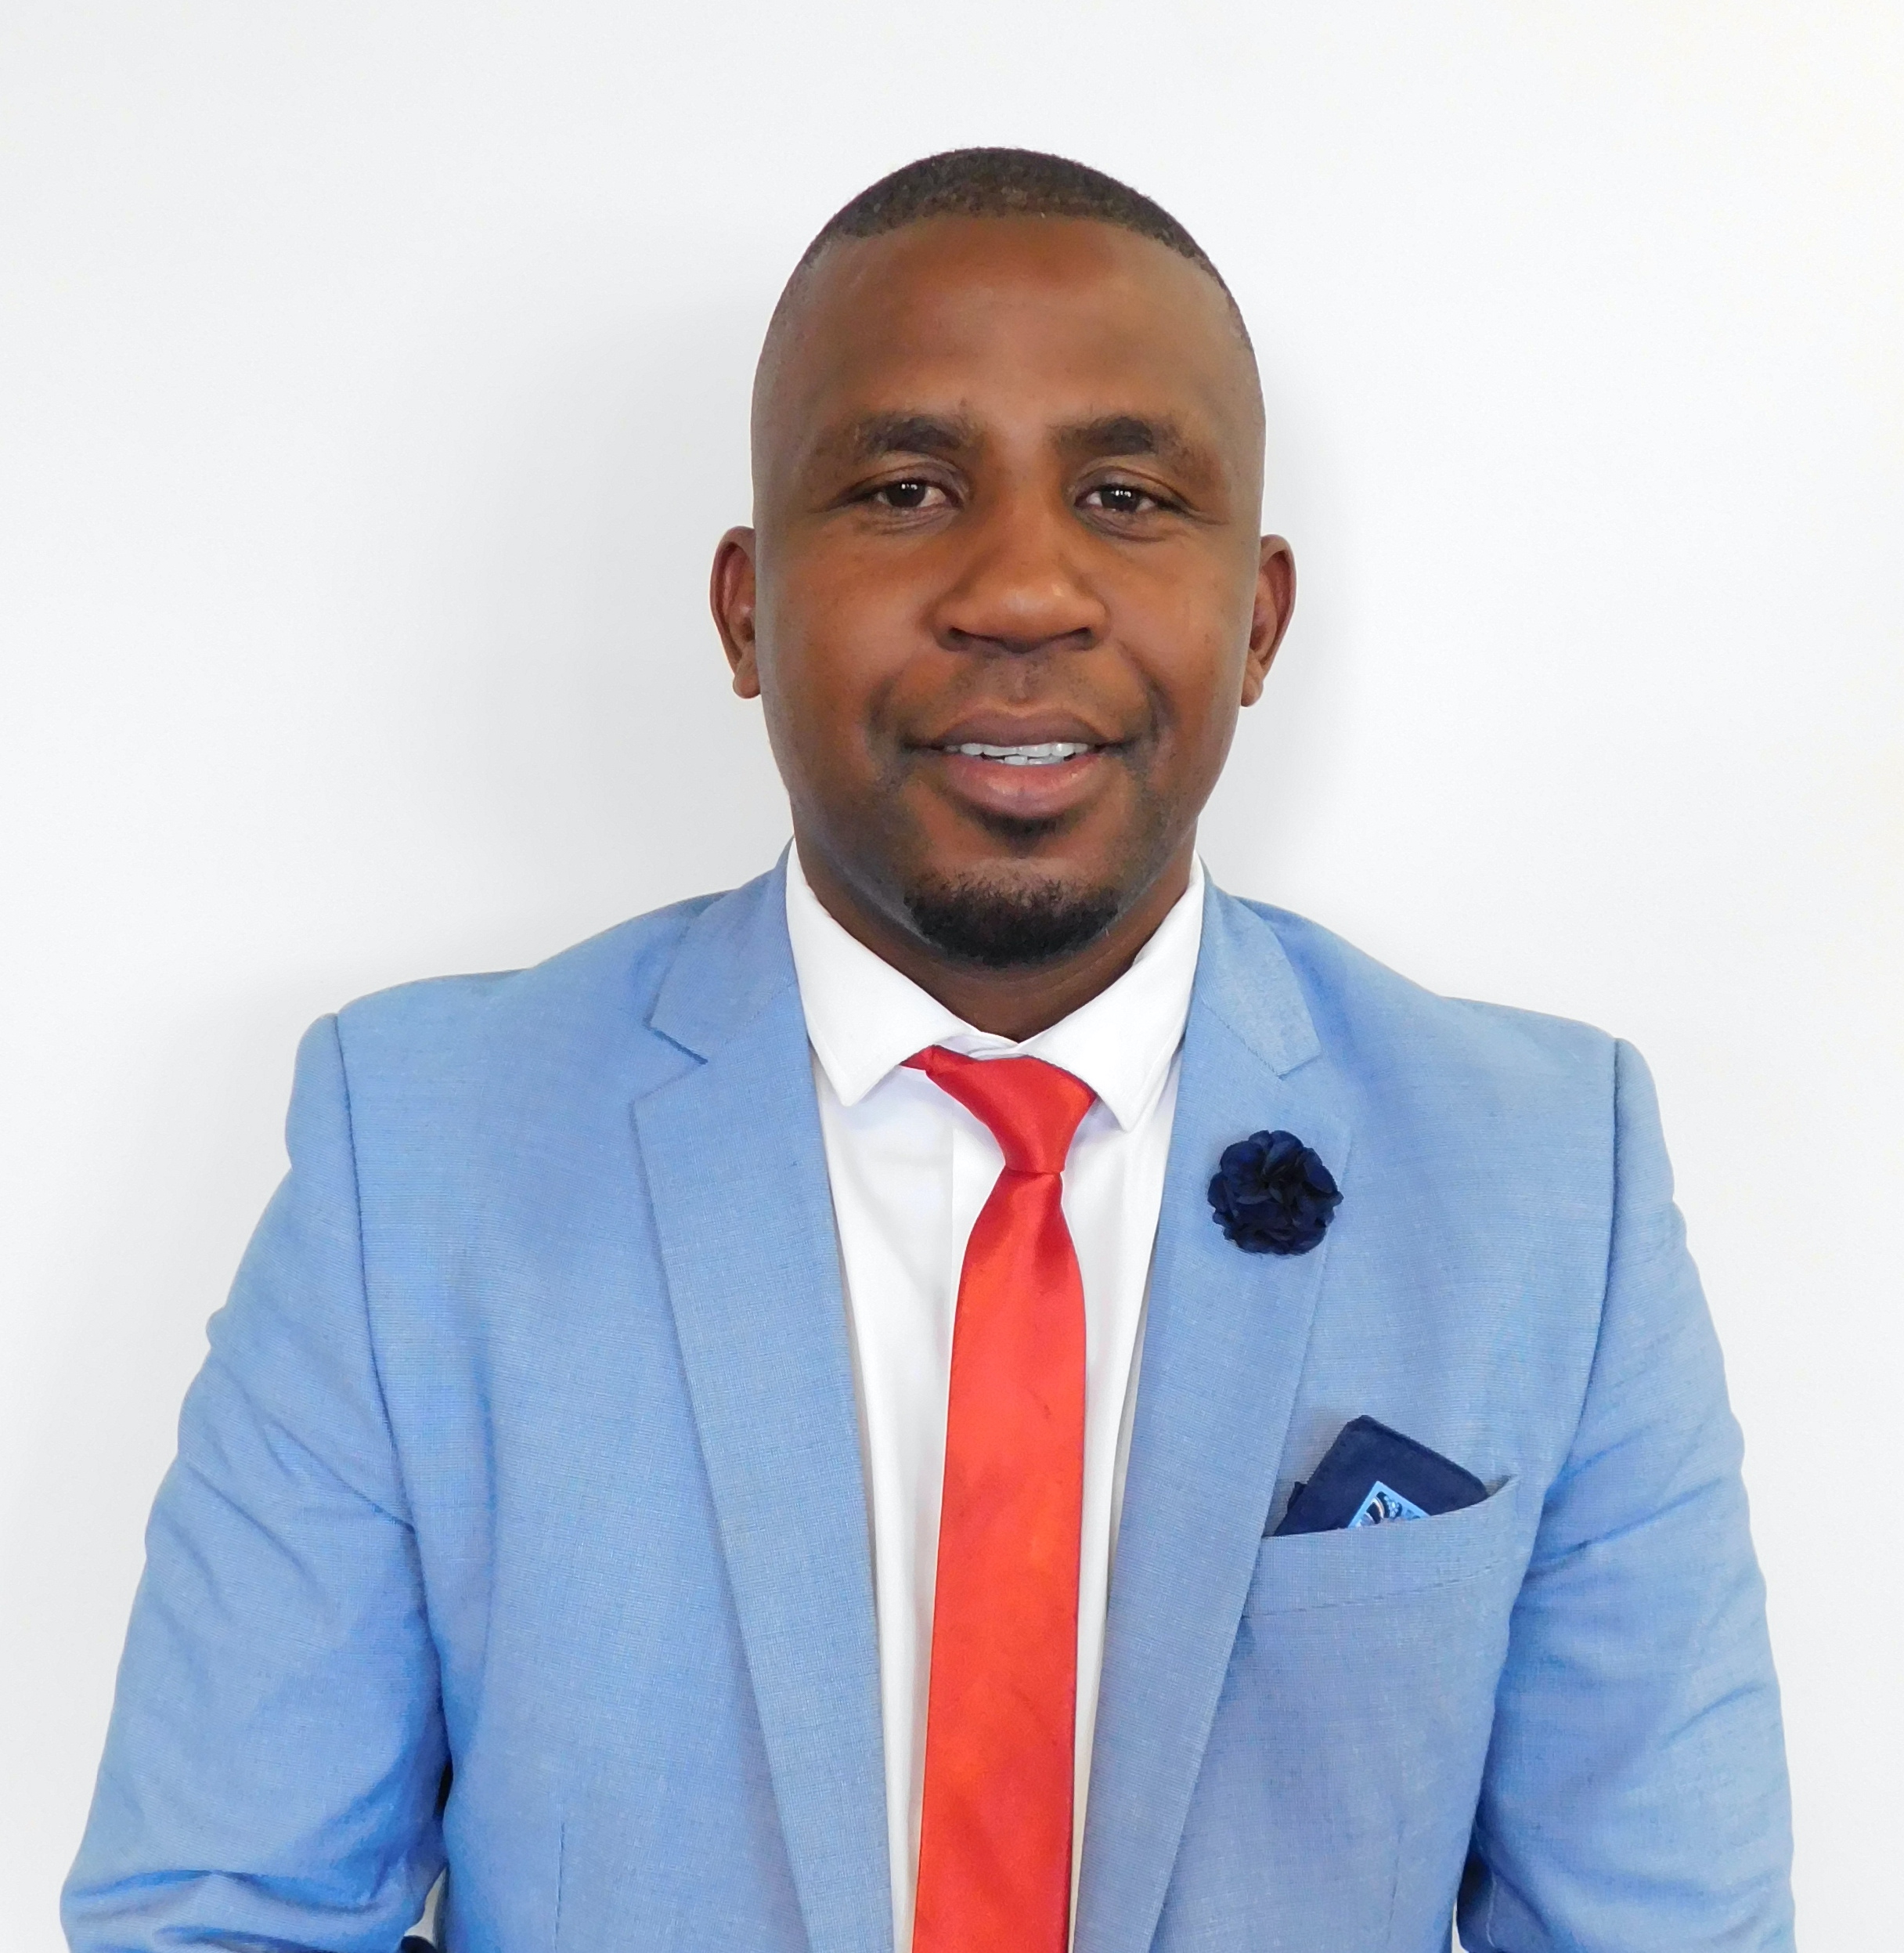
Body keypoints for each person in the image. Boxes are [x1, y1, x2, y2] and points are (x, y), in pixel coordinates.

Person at [63, 149, 1794, 1953]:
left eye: (1126, 495)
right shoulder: (416, 1159)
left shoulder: (1547, 1181)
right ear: (746, 609)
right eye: (904, 489)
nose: (1023, 590)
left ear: (1260, 617)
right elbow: (224, 1913)